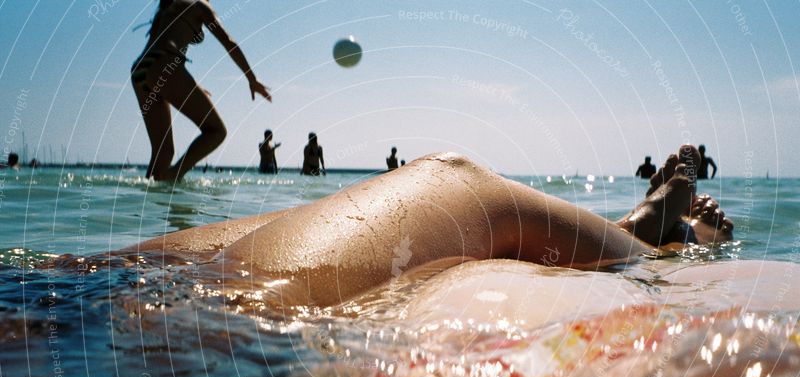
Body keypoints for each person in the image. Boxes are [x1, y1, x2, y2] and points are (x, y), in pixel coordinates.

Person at [125, 145, 731, 308]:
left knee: (248, 235)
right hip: (193, 327)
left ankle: (630, 228)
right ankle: (651, 239)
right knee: (457, 182)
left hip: (89, 293)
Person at [131, 0, 271, 182]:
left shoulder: (169, 5)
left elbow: (166, 44)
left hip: (142, 69)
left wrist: (191, 86)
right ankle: (172, 177)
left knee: (163, 151)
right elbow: (228, 42)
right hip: (164, 65)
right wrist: (251, 78)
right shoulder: (200, 5)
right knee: (216, 131)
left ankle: (148, 202)